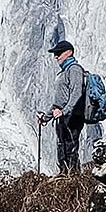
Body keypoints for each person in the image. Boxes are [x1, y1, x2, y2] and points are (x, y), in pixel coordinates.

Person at [40, 40, 88, 173]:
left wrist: (65, 111)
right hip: (63, 116)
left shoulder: (74, 69)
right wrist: (46, 117)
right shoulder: (65, 71)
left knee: (70, 148)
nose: (56, 56)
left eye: (58, 53)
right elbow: (59, 101)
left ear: (69, 52)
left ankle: (72, 178)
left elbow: (76, 93)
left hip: (72, 117)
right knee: (62, 148)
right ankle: (64, 176)